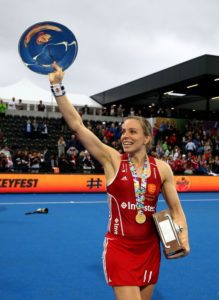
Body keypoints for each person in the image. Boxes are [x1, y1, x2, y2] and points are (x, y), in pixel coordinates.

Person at [49, 63, 190, 300]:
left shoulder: (163, 169)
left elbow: (176, 210)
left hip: (149, 249)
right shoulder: (112, 160)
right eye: (123, 131)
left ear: (147, 138)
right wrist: (57, 86)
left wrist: (183, 236)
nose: (125, 135)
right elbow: (77, 125)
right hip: (120, 248)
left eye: (133, 132)